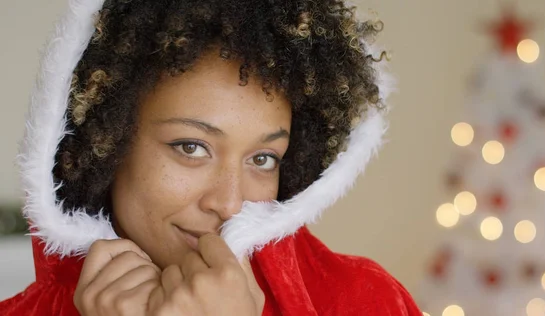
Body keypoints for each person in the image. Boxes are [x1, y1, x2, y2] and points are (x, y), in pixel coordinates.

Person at [0, 0, 422, 315]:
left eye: (263, 159)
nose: (229, 203)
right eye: (192, 147)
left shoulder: (366, 301)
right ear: (104, 141)